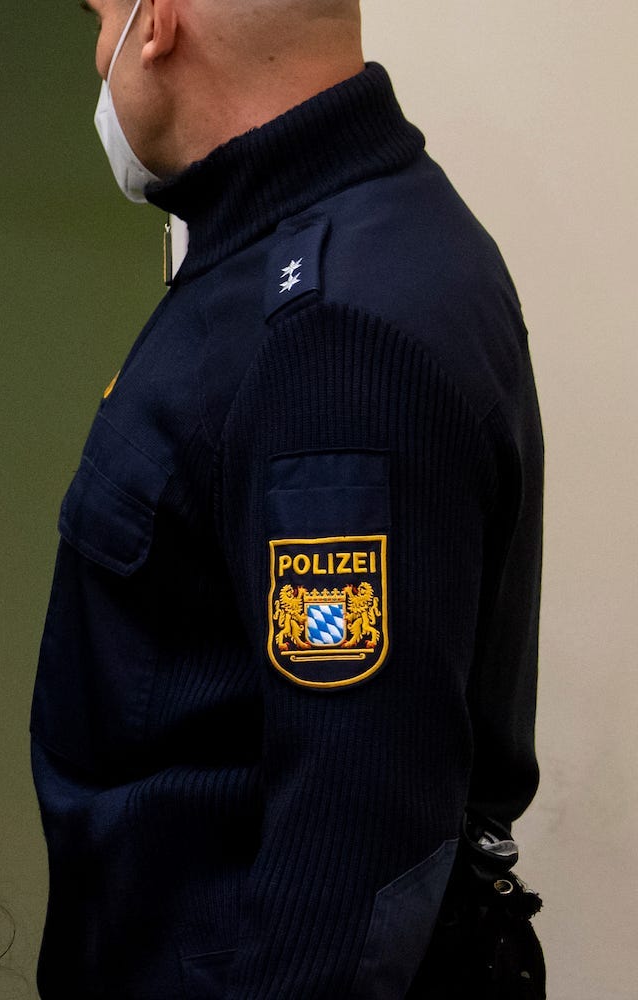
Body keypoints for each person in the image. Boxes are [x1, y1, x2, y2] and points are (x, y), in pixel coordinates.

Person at [31, 1, 544, 997]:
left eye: (96, 19)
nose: (94, 57)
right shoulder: (304, 243)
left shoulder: (333, 326)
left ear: (157, 22)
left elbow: (346, 851)